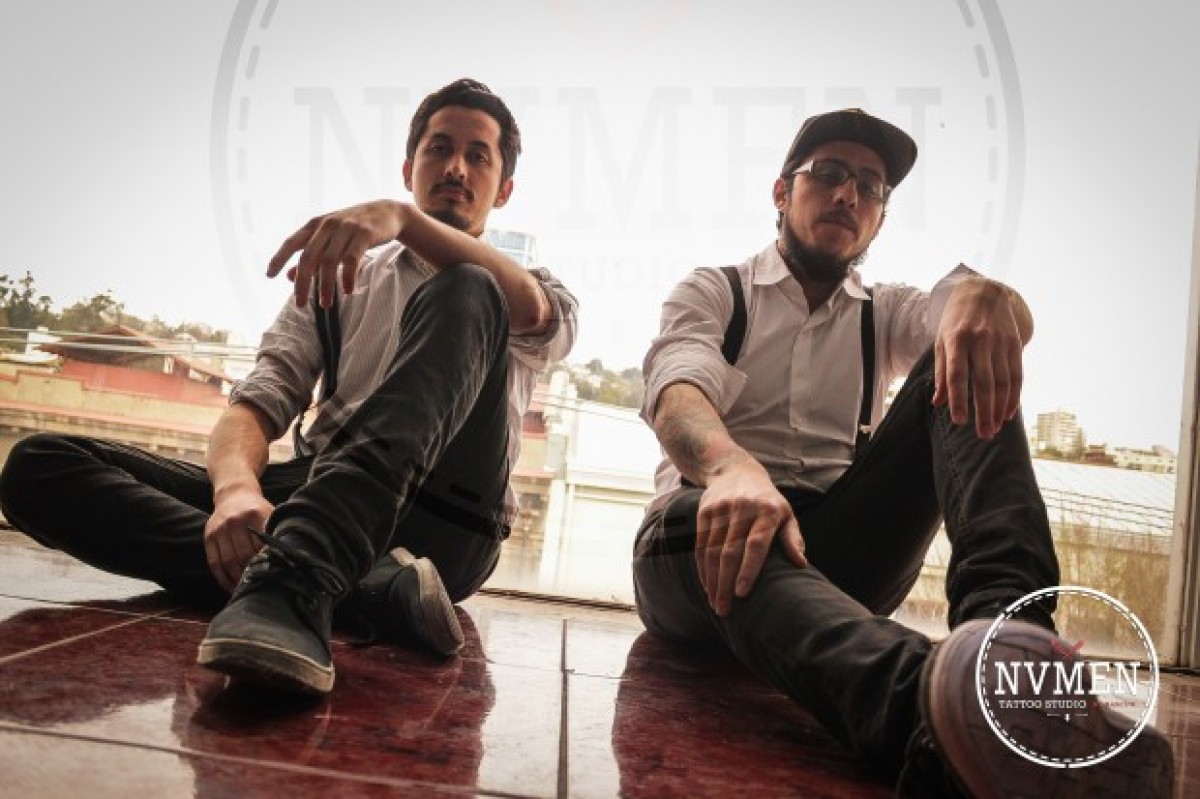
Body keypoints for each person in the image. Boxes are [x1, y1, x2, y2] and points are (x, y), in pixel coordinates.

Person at [631, 108, 1173, 797]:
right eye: (829, 173)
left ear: (880, 218)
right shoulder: (716, 290)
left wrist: (987, 298)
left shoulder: (883, 311)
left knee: (965, 352)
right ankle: (946, 715)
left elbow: (992, 318)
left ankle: (1015, 654)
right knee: (717, 515)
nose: (848, 194)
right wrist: (730, 468)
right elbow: (676, 390)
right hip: (696, 545)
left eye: (870, 186)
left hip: (831, 555)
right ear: (781, 192)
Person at [0, 78, 577, 696]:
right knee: (39, 467)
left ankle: (295, 580)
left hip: (446, 522)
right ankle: (357, 588)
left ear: (504, 189)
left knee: (468, 285)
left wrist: (402, 219)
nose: (456, 167)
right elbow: (257, 404)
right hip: (319, 489)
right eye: (439, 148)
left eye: (478, 156)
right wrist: (236, 493)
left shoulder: (526, 288)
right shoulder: (338, 276)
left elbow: (529, 309)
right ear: (409, 166)